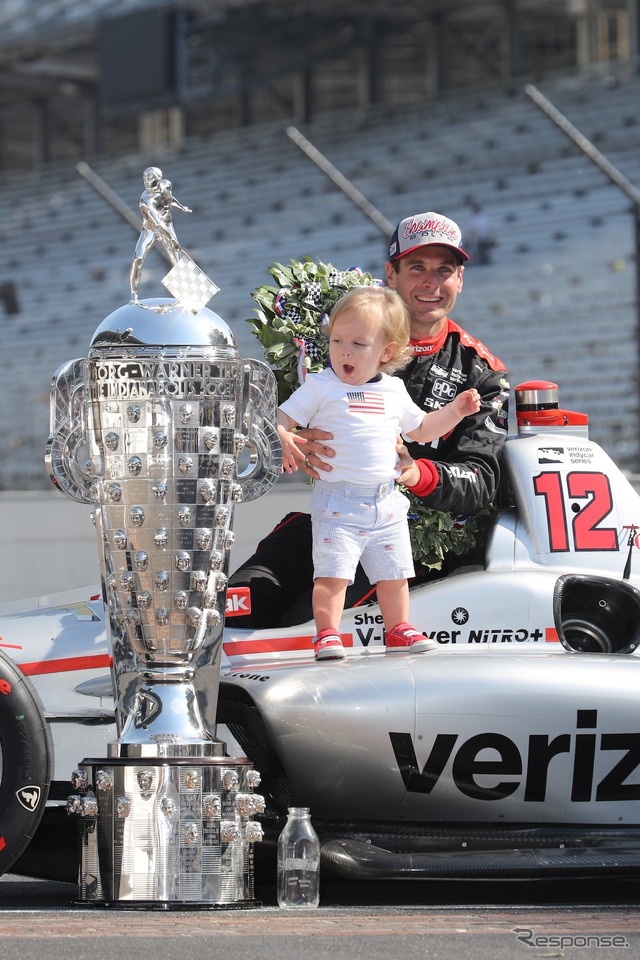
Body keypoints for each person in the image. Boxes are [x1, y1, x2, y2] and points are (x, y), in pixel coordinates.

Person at [228, 210, 510, 646]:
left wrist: (415, 472)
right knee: (235, 605)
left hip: (401, 542)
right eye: (417, 267)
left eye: (445, 270)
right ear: (391, 273)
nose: (431, 283)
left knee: (298, 630)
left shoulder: (481, 373)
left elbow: (482, 483)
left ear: (460, 280)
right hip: (329, 520)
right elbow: (266, 403)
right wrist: (282, 436)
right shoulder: (333, 325)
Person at [277, 286, 481, 660]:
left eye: (358, 343)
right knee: (333, 574)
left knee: (394, 573)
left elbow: (420, 430)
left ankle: (398, 629)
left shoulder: (393, 389)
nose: (344, 351)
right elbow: (284, 416)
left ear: (385, 352)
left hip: (387, 500)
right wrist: (283, 435)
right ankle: (326, 634)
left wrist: (455, 410)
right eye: (337, 340)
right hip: (339, 498)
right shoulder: (321, 385)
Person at [129, 166, 192, 301]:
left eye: (149, 178)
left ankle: (185, 294)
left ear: (158, 179)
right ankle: (134, 294)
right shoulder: (145, 199)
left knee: (176, 260)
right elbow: (157, 223)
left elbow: (168, 199)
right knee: (137, 258)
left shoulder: (166, 185)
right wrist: (173, 240)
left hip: (167, 225)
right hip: (151, 229)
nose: (146, 181)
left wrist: (181, 207)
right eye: (144, 178)